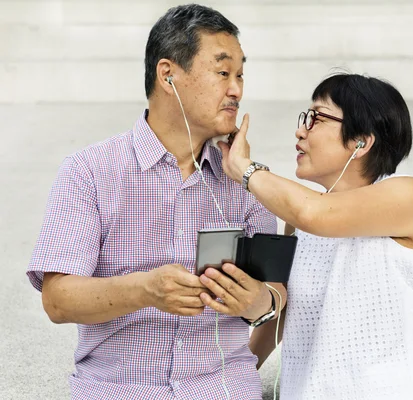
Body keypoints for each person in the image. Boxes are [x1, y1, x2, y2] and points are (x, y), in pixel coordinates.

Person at [26, 4, 285, 400]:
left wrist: (259, 302)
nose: (236, 89)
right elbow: (58, 300)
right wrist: (145, 290)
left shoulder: (248, 181)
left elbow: (275, 294)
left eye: (240, 75)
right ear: (168, 74)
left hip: (223, 390)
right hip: (117, 390)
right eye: (222, 72)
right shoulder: (89, 171)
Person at [205, 73, 413, 399]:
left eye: (316, 119)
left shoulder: (410, 196)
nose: (300, 130)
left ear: (361, 142)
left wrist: (244, 168)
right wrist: (228, 378)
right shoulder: (299, 224)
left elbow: (315, 214)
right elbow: (279, 317)